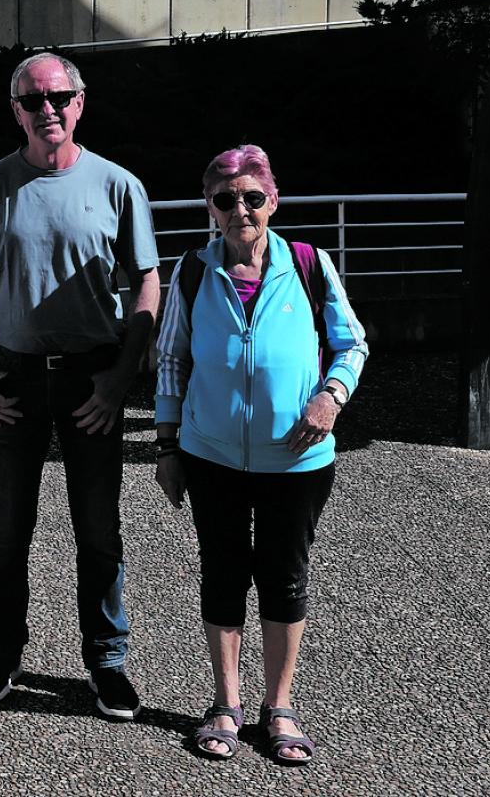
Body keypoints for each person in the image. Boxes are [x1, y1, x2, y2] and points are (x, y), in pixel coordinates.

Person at [0, 51, 160, 720]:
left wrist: (121, 379)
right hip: (12, 379)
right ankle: (3, 651)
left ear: (81, 101)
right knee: (6, 532)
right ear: (15, 110)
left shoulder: (118, 186)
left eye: (60, 96)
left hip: (92, 379)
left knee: (98, 532)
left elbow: (146, 282)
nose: (49, 109)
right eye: (34, 100)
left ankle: (107, 661)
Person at [154, 145, 368, 765]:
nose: (240, 209)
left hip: (296, 458)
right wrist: (167, 446)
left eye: (252, 197)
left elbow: (350, 343)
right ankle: (225, 704)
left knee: (284, 575)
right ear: (210, 208)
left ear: (272, 201)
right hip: (211, 454)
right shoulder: (194, 270)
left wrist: (330, 397)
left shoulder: (309, 263)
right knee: (222, 571)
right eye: (226, 199)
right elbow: (171, 360)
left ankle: (280, 708)